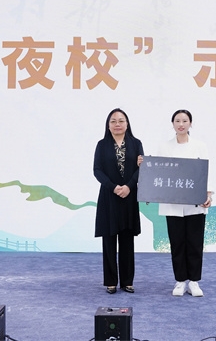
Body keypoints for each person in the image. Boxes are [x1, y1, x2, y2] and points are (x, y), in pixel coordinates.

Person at [158, 109, 213, 297]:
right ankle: (180, 281)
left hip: (195, 203)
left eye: (184, 120)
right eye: (177, 121)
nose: (181, 124)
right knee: (177, 243)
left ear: (190, 123)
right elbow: (158, 173)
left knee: (195, 243)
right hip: (173, 204)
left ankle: (194, 282)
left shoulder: (200, 146)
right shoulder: (164, 147)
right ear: (172, 124)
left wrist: (208, 194)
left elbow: (206, 172)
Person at [93, 108, 144, 294]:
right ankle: (111, 281)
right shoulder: (102, 145)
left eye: (121, 121)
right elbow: (97, 170)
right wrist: (113, 187)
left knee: (127, 241)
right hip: (109, 197)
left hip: (129, 197)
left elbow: (142, 168)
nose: (117, 124)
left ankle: (127, 281)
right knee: (108, 241)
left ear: (127, 124)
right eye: (113, 121)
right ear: (108, 125)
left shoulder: (136, 143)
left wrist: (129, 186)